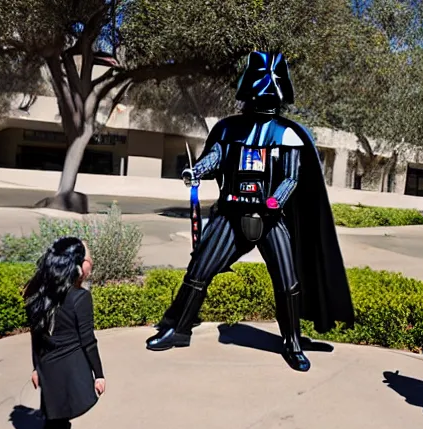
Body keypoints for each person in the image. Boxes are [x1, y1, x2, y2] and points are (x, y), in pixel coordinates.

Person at [146, 51, 354, 372]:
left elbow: (292, 176)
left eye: (271, 96)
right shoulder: (229, 130)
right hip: (230, 215)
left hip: (271, 220)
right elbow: (215, 159)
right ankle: (179, 329)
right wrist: (197, 171)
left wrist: (276, 201)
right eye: (261, 95)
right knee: (198, 272)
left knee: (287, 281)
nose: (265, 101)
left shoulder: (288, 135)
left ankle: (293, 343)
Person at [23, 237, 105, 429]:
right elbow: (88, 341)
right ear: (78, 267)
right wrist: (98, 374)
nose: (90, 262)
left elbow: (35, 334)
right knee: (57, 420)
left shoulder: (37, 291)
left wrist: (36, 367)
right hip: (67, 366)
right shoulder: (80, 297)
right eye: (88, 258)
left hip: (48, 364)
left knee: (56, 415)